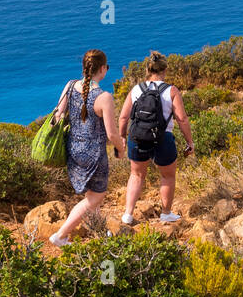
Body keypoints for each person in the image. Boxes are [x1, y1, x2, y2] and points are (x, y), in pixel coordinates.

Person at [51, 49, 124, 247]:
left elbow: (58, 115)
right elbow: (111, 134)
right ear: (102, 69)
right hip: (94, 155)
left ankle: (99, 231)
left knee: (91, 195)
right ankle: (61, 235)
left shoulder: (70, 85)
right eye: (106, 67)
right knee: (95, 198)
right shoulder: (104, 97)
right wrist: (121, 147)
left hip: (73, 151)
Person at [118, 51, 196, 226]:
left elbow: (123, 117)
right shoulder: (171, 90)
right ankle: (166, 214)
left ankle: (128, 214)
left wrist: (122, 137)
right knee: (167, 176)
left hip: (137, 137)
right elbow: (182, 119)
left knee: (136, 175)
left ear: (148, 69)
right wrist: (189, 142)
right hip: (163, 138)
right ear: (165, 70)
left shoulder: (136, 89)